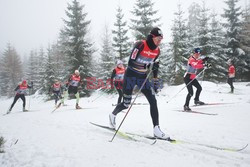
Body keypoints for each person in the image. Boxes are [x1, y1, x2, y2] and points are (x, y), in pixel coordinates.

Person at [109, 27, 169, 139]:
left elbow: (155, 67)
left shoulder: (157, 51)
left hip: (143, 77)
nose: (159, 41)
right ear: (152, 37)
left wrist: (155, 77)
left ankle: (156, 129)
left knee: (153, 100)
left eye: (161, 39)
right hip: (130, 76)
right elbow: (131, 62)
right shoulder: (141, 45)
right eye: (158, 38)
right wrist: (147, 65)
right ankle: (112, 115)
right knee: (126, 103)